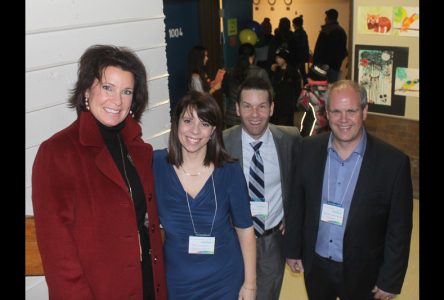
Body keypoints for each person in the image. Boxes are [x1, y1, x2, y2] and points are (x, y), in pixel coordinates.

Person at [31, 45, 167, 300]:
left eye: (126, 92)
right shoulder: (57, 153)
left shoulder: (138, 148)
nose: (117, 101)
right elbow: (58, 256)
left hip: (147, 285)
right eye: (108, 88)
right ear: (86, 90)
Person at [283, 80, 413, 300]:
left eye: (351, 111)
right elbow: (297, 202)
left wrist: (391, 278)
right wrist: (293, 249)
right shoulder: (307, 149)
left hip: (365, 272)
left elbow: (399, 228)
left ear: (364, 111)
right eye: (336, 111)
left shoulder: (393, 163)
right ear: (327, 113)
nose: (343, 120)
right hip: (317, 267)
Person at [152, 91, 256, 300]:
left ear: (213, 131)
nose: (195, 131)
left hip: (225, 279)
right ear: (176, 123)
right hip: (177, 282)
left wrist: (250, 284)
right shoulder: (156, 165)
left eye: (205, 124)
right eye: (188, 120)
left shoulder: (229, 170)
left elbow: (245, 230)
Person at [223, 77, 301, 300]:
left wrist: (292, 215)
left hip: (272, 242)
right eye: (247, 106)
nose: (255, 114)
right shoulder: (221, 143)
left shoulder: (290, 139)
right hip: (233, 241)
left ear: (272, 108)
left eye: (262, 106)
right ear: (237, 108)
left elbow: (300, 183)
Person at [222, 43, 271, 128]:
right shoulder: (260, 72)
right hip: (253, 117)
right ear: (253, 56)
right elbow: (270, 94)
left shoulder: (229, 72)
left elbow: (225, 93)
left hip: (231, 117)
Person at [312, 9, 348, 83]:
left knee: (321, 87)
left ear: (328, 18)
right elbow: (344, 51)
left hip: (323, 66)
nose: (325, 19)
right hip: (335, 66)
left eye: (326, 17)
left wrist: (315, 63)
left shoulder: (326, 31)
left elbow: (319, 49)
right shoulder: (342, 31)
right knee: (332, 88)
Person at [270, 47, 301, 126]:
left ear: (285, 59)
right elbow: (272, 85)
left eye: (280, 58)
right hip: (277, 102)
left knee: (285, 124)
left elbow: (297, 88)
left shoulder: (292, 72)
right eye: (276, 58)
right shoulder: (276, 70)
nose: (277, 60)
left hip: (287, 103)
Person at [297, 64, 330, 137]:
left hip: (311, 127)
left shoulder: (308, 90)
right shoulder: (330, 89)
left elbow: (300, 106)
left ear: (313, 78)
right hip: (326, 127)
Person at [292, 15, 310, 85]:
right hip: (302, 56)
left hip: (298, 57)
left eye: (293, 24)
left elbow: (297, 45)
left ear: (296, 24)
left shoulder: (298, 33)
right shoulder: (303, 33)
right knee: (303, 72)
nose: (293, 25)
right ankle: (306, 87)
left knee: (298, 73)